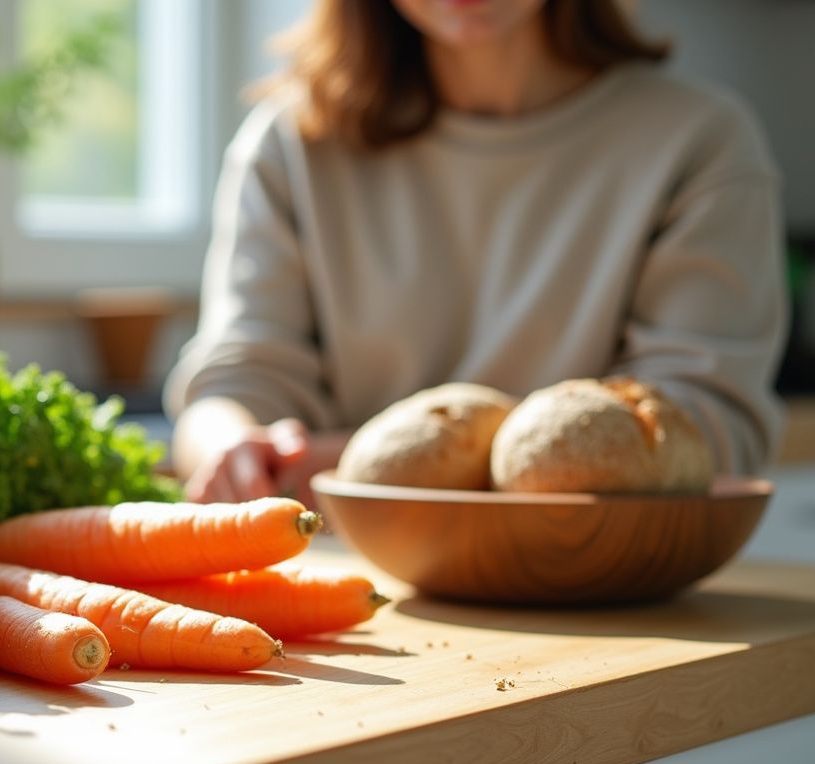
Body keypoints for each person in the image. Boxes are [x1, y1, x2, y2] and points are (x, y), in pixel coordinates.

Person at [164, 0, 787, 504]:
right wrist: (232, 446)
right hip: (352, 584)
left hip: (603, 585)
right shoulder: (291, 143)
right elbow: (238, 382)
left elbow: (702, 429)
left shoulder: (700, 142)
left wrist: (344, 465)